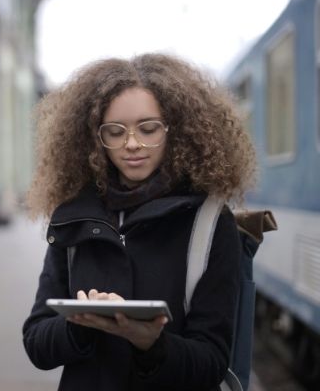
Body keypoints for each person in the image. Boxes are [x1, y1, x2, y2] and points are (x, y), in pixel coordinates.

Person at [22, 53, 256, 391]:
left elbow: (212, 362)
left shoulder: (209, 223)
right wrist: (79, 326)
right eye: (115, 132)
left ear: (176, 131)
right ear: (93, 138)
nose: (132, 144)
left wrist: (151, 343)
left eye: (148, 129)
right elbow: (36, 343)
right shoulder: (73, 218)